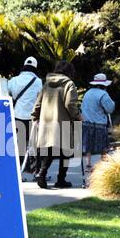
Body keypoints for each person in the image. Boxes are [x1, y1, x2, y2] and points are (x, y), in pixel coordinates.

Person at [31, 61, 81, 189]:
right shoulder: (69, 84)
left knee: (50, 150)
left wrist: (35, 117)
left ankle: (41, 173)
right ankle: (60, 180)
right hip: (63, 122)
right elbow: (70, 104)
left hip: (46, 123)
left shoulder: (47, 83)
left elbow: (38, 103)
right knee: (66, 151)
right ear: (69, 71)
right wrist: (77, 117)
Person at [8, 57, 43, 166]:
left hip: (17, 115)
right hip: (33, 117)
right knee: (33, 144)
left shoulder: (14, 80)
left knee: (20, 144)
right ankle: (32, 168)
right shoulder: (38, 82)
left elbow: (9, 94)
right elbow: (40, 98)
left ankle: (19, 169)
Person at [81, 73, 115, 169]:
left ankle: (88, 163)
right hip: (99, 123)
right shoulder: (103, 94)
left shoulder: (87, 93)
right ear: (104, 85)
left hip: (86, 123)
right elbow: (110, 108)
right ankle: (103, 163)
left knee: (88, 144)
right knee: (103, 145)